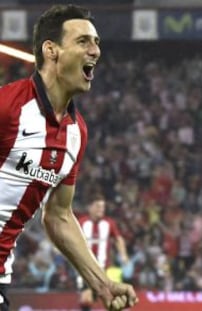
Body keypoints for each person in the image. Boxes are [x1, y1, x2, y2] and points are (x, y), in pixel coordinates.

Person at [0, 4, 137, 311]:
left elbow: (59, 216)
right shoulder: (8, 106)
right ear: (52, 50)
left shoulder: (77, 134)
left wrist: (101, 283)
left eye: (97, 42)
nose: (95, 51)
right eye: (83, 41)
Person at [77, 194, 130, 311]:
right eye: (97, 206)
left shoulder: (109, 223)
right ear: (89, 207)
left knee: (114, 299)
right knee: (86, 299)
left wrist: (123, 255)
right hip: (87, 270)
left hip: (105, 269)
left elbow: (118, 239)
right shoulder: (81, 223)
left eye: (103, 207)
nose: (101, 209)